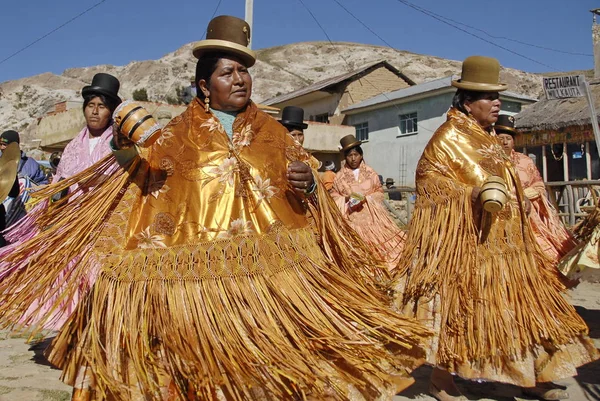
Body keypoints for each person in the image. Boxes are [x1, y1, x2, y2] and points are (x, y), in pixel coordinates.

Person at [0, 16, 430, 400]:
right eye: (228, 72)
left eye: (244, 71)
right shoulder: (175, 133)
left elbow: (314, 186)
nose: (240, 79)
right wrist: (125, 132)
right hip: (194, 290)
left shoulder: (273, 133)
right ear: (205, 86)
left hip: (273, 286)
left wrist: (311, 186)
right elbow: (138, 169)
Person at [393, 56, 598, 401]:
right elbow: (429, 184)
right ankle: (441, 380)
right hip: (474, 244)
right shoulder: (448, 138)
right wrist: (470, 194)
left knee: (527, 307)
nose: (497, 103)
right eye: (489, 97)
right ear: (467, 102)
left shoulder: (485, 137)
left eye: (497, 96)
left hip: (512, 243)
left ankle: (536, 377)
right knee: (464, 313)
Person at [0, 73, 122, 329]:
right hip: (74, 224)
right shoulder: (72, 147)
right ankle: (76, 329)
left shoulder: (118, 144)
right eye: (91, 106)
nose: (95, 112)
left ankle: (104, 326)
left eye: (102, 106)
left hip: (107, 224)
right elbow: (60, 185)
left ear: (110, 111)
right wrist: (51, 213)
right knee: (72, 276)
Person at [495, 114, 577, 264]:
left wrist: (524, 195)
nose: (505, 142)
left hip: (528, 214)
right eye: (500, 138)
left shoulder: (525, 162)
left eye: (508, 138)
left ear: (513, 141)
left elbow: (538, 184)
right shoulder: (489, 162)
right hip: (500, 214)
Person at [331, 134, 406, 269]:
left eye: (355, 154)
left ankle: (382, 270)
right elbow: (334, 196)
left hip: (372, 219)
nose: (353, 158)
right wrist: (346, 199)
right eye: (349, 155)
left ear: (361, 155)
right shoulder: (339, 177)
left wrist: (367, 198)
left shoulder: (371, 173)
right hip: (351, 220)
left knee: (381, 248)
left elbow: (379, 192)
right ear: (345, 158)